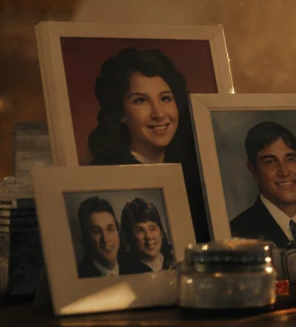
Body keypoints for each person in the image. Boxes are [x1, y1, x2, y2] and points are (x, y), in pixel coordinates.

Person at [86, 48, 208, 241]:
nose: (158, 114)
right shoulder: (100, 177)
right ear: (120, 112)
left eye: (165, 98)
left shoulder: (200, 175)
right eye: (141, 100)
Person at [229, 121, 296, 248]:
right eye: (270, 162)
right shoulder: (237, 236)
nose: (284, 172)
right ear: (253, 171)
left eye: (290, 159)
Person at [118, 197, 174, 274]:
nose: (149, 236)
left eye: (152, 228)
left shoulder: (175, 261)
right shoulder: (125, 272)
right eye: (140, 230)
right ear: (130, 236)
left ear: (160, 229)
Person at [75, 197, 120, 279]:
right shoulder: (80, 276)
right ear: (85, 239)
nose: (105, 239)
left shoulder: (135, 267)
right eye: (96, 231)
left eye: (110, 229)